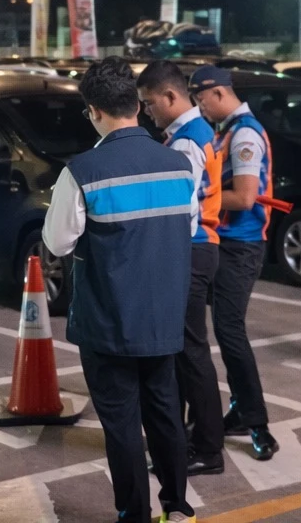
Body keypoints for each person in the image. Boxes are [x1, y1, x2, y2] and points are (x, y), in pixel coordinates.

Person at [43, 57, 197, 523]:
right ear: (135, 103)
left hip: (109, 323)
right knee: (166, 413)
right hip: (165, 319)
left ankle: (135, 514)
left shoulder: (82, 171)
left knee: (123, 424)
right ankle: (179, 506)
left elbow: (57, 241)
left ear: (93, 110)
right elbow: (184, 228)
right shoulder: (178, 165)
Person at [136, 59, 226, 476]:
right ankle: (196, 440)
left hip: (190, 249)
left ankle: (206, 448)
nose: (148, 112)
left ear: (171, 96)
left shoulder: (187, 142)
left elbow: (180, 208)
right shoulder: (192, 134)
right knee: (189, 352)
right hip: (198, 249)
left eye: (150, 103)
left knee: (190, 353)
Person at [189, 65, 279, 461]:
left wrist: (195, 197)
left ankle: (257, 424)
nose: (199, 107)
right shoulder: (227, 130)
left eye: (200, 99)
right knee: (224, 332)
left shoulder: (243, 133)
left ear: (218, 93)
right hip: (223, 243)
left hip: (240, 246)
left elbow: (244, 198)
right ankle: (241, 412)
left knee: (229, 331)